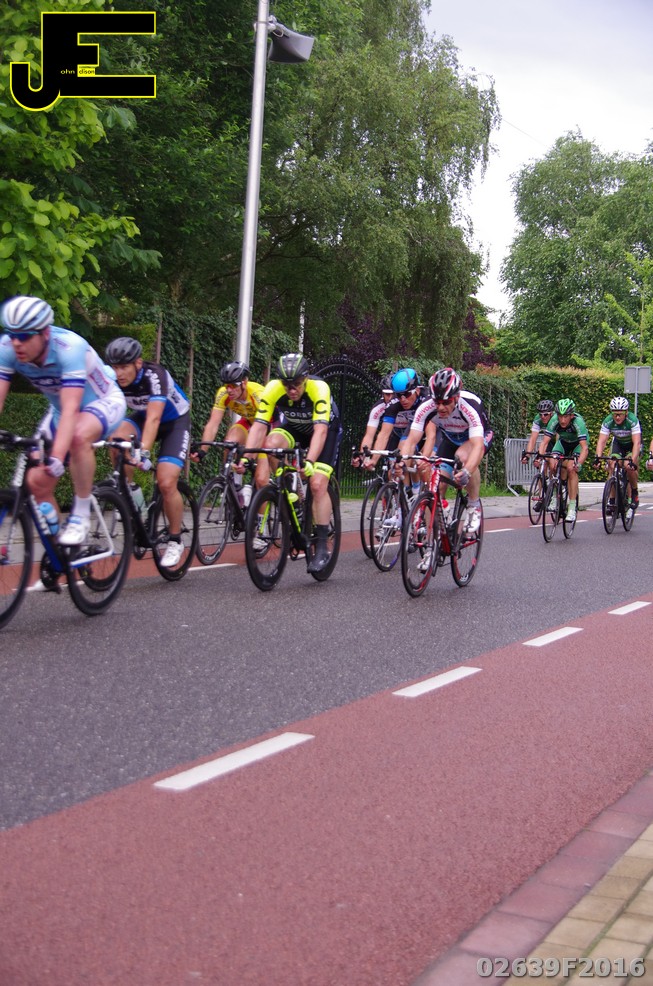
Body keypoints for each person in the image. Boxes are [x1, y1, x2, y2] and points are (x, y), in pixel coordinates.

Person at [0, 295, 126, 545]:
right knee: (37, 483)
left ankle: (81, 515)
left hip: (103, 402)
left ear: (45, 333)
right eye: (12, 335)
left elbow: (71, 409)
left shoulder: (69, 348)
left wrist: (57, 456)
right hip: (61, 412)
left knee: (77, 436)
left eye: (24, 336)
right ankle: (61, 552)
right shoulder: (7, 348)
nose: (16, 343)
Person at [242, 353, 342, 573]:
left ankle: (322, 545)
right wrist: (246, 457)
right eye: (286, 384)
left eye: (296, 383)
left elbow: (321, 431)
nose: (291, 389)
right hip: (295, 428)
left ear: (305, 378)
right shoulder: (273, 389)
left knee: (317, 483)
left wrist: (309, 461)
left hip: (324, 431)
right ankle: (290, 493)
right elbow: (259, 426)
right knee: (269, 444)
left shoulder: (319, 388)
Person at [105, 336, 191, 568]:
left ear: (138, 363)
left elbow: (154, 418)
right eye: (115, 367)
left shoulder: (155, 376)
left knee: (166, 482)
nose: (119, 373)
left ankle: (175, 540)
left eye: (124, 367)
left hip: (173, 423)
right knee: (116, 441)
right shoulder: (111, 378)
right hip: (143, 417)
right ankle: (132, 496)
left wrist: (143, 453)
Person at [401, 368, 487, 533]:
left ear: (456, 397)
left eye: (446, 402)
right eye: (437, 402)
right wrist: (402, 462)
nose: (440, 407)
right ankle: (434, 542)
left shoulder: (470, 406)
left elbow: (477, 445)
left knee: (462, 457)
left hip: (474, 439)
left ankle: (474, 504)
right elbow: (411, 440)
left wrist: (467, 472)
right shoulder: (426, 407)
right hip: (450, 439)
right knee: (436, 486)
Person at [191, 360, 265, 503]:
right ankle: (231, 483)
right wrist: (202, 451)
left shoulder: (257, 394)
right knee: (230, 442)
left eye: (233, 385)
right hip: (248, 422)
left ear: (244, 383)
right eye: (226, 385)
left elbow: (262, 428)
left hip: (267, 426)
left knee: (261, 479)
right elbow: (213, 424)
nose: (229, 390)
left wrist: (249, 458)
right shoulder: (223, 394)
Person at [536, 397, 589, 523]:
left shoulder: (578, 422)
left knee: (571, 468)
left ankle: (572, 507)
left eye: (565, 417)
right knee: (552, 462)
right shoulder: (554, 420)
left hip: (577, 444)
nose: (562, 420)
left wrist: (579, 464)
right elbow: (544, 443)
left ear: (571, 416)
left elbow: (585, 448)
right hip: (563, 442)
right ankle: (555, 495)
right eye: (560, 416)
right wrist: (540, 457)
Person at [594, 396, 641, 511]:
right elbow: (602, 441)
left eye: (620, 414)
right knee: (612, 464)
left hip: (632, 445)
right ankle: (612, 500)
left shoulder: (632, 420)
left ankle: (634, 492)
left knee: (628, 466)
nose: (617, 417)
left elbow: (637, 443)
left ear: (626, 413)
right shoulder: (608, 421)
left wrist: (633, 460)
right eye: (615, 414)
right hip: (618, 444)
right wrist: (598, 457)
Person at [350, 374, 396, 470]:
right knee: (392, 470)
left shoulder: (404, 404)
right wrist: (362, 457)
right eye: (387, 394)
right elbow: (369, 436)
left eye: (393, 394)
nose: (390, 398)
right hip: (393, 435)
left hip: (408, 433)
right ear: (382, 394)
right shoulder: (378, 408)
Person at [521, 399, 555, 464]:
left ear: (551, 414)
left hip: (558, 441)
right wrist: (527, 455)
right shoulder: (537, 419)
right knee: (542, 461)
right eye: (540, 414)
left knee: (554, 464)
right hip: (548, 441)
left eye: (545, 414)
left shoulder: (556, 419)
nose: (543, 417)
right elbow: (532, 439)